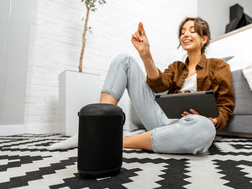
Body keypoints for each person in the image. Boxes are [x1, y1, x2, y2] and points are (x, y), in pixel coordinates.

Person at [48, 17, 234, 154]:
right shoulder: (177, 67)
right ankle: (96, 127)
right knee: (125, 60)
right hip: (161, 119)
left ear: (204, 39)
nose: (185, 34)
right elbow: (158, 85)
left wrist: (214, 121)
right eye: (182, 31)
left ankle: (118, 140)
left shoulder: (219, 66)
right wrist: (146, 54)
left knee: (206, 130)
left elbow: (226, 106)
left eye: (192, 30)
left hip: (190, 124)